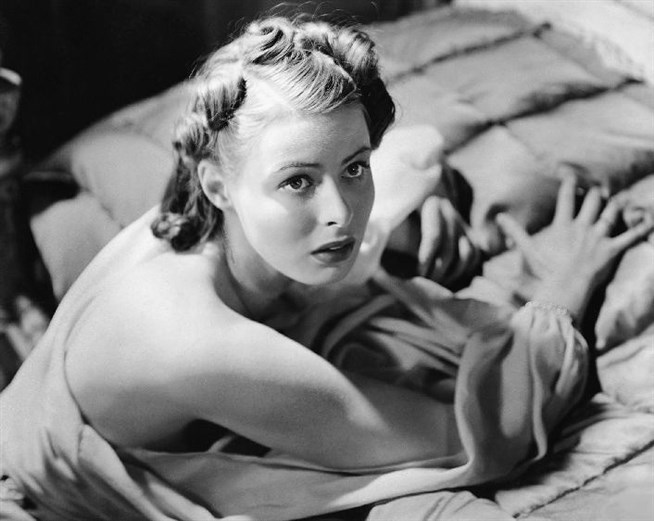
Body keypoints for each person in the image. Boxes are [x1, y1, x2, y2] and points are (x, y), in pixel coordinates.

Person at [1, 16, 652, 521]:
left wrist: (413, 198)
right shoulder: (198, 340)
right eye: (298, 181)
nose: (342, 213)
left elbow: (407, 148)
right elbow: (462, 437)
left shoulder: (221, 214)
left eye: (355, 167)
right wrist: (561, 293)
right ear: (218, 185)